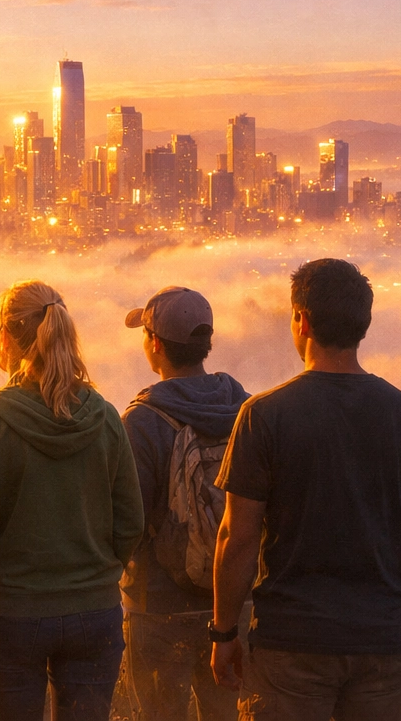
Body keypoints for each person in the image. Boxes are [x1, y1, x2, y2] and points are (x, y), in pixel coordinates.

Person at [210, 258, 401, 721]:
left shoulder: (264, 416)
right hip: (383, 640)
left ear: (301, 320)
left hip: (291, 642)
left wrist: (223, 634)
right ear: (364, 324)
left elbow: (236, 539)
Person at [0, 280, 144, 721]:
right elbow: (131, 522)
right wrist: (94, 570)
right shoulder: (104, 417)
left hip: (11, 612)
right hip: (94, 609)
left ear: (5, 337)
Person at [120, 286, 250, 721]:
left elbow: (128, 521)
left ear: (155, 344)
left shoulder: (142, 421)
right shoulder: (248, 410)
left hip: (159, 607)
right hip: (233, 602)